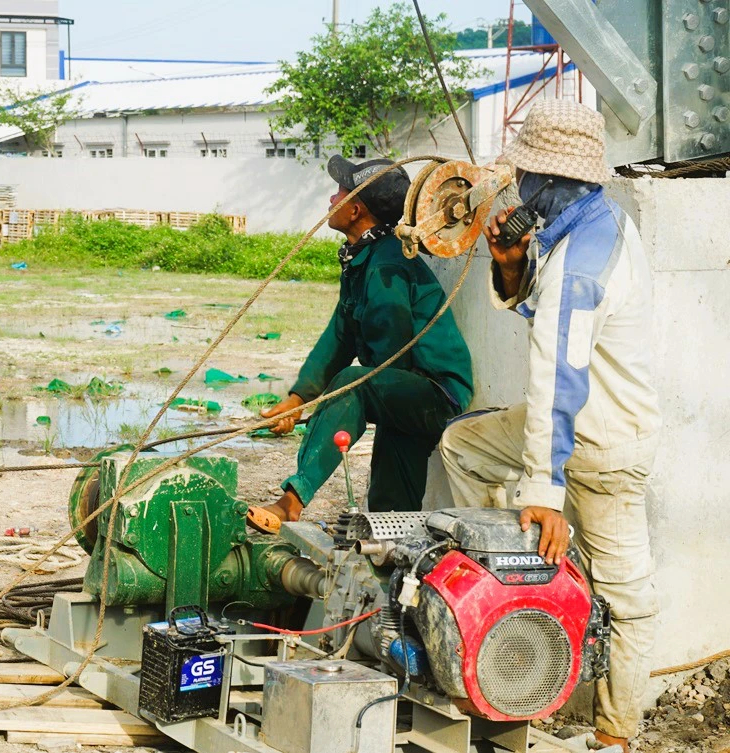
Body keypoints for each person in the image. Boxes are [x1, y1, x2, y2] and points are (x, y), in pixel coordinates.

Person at [438, 100, 659, 751]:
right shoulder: (595, 223)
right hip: (571, 423)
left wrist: (541, 490)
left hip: (606, 444)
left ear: (551, 180)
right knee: (466, 445)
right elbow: (553, 325)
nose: (517, 188)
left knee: (628, 600)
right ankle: (507, 580)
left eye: (525, 177)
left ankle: (615, 737)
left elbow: (558, 376)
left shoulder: (579, 266)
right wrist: (510, 264)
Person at [245, 156, 474, 533]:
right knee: (391, 513)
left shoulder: (386, 266)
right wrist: (298, 398)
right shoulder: (364, 260)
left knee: (355, 383)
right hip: (402, 389)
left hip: (435, 395)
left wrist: (338, 400)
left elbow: (389, 356)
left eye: (339, 192)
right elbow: (340, 336)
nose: (330, 201)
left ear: (355, 210)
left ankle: (294, 498)